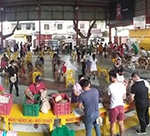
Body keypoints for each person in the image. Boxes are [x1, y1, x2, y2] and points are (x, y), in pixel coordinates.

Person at [107, 70, 126, 136]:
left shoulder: (110, 87)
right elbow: (124, 97)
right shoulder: (122, 85)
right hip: (121, 106)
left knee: (112, 125)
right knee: (121, 123)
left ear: (112, 77)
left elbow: (108, 98)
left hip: (114, 107)